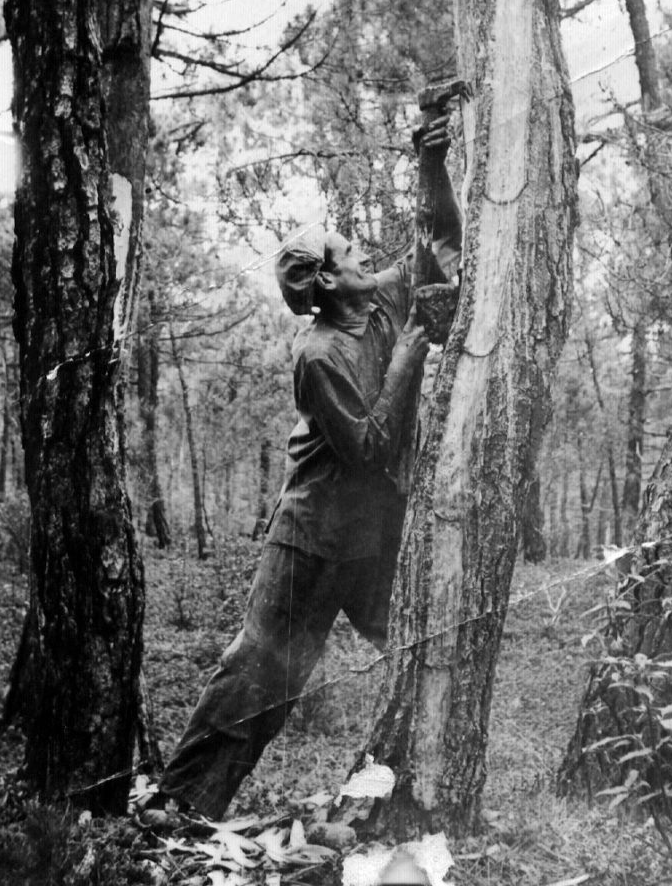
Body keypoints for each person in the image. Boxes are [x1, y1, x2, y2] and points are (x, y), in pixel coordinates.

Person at [147, 117, 461, 823]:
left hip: (373, 538)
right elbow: (370, 445)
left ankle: (420, 795)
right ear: (325, 277)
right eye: (345, 249)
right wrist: (413, 346)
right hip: (310, 540)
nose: (358, 251)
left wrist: (431, 165)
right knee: (261, 675)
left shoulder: (378, 298)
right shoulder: (317, 355)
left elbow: (438, 248)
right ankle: (178, 806)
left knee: (423, 645)